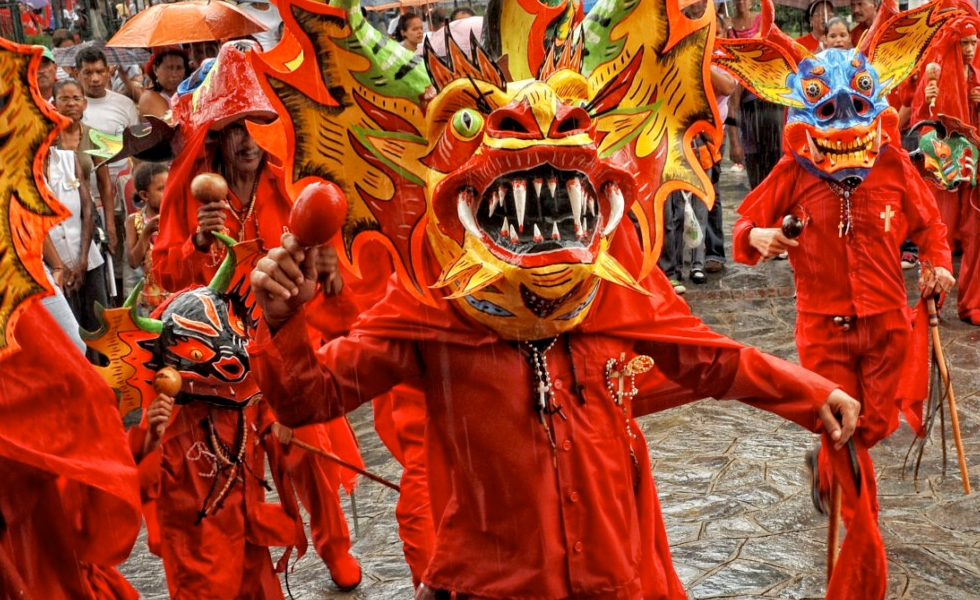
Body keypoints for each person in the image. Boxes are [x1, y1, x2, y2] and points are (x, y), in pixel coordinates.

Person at [152, 41, 362, 589]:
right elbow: (169, 279)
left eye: (257, 124)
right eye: (237, 127)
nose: (248, 140)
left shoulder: (289, 185)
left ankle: (334, 545)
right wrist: (198, 240)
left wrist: (327, 262)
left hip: (284, 343)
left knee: (310, 450)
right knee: (234, 465)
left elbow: (324, 254)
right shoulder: (193, 196)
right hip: (221, 361)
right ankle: (251, 562)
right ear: (217, 136)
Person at [77, 45, 140, 298]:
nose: (94, 78)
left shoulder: (124, 104)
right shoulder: (71, 106)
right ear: (76, 74)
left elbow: (136, 148)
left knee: (125, 249)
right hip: (88, 196)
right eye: (88, 72)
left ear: (108, 72)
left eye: (100, 71)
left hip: (124, 194)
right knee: (98, 255)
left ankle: (126, 302)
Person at [125, 162, 170, 310]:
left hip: (179, 295)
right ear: (144, 195)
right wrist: (146, 233)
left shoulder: (176, 217)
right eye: (161, 189)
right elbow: (133, 261)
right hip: (152, 300)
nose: (168, 191)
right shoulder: (134, 221)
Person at [138, 48, 189, 118]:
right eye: (169, 68)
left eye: (179, 68)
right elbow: (168, 126)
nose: (174, 74)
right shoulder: (148, 97)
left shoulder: (188, 95)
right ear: (155, 70)